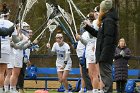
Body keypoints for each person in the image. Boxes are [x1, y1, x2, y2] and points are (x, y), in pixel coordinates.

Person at [84, 0, 119, 92]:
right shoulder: (106, 20)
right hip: (104, 53)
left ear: (104, 9)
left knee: (106, 75)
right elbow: (100, 35)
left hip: (105, 54)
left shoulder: (108, 21)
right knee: (104, 76)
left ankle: (107, 91)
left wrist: (103, 54)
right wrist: (88, 28)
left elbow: (108, 39)